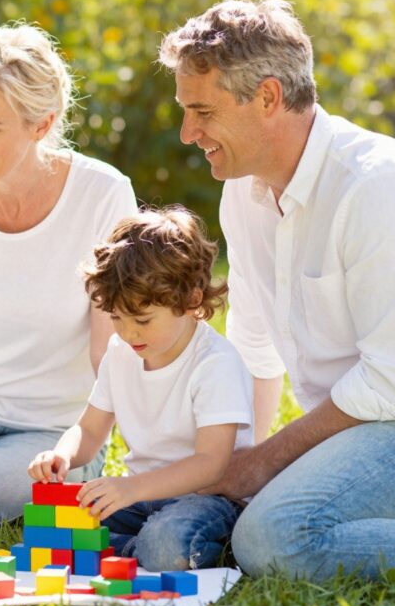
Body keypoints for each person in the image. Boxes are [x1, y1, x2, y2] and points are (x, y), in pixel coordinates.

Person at [156, 0, 395, 581]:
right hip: (363, 429)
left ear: (269, 97)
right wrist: (233, 467)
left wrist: (263, 467)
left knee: (275, 540)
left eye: (201, 111)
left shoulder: (378, 187)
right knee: (225, 516)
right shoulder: (244, 191)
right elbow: (253, 345)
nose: (187, 133)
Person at [28, 207, 253, 570]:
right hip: (141, 498)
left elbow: (212, 464)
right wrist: (62, 456)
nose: (128, 333)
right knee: (61, 521)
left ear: (192, 300)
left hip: (209, 499)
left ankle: (139, 551)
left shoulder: (215, 363)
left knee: (165, 544)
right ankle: (134, 550)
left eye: (143, 320)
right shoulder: (121, 353)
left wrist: (131, 489)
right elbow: (88, 429)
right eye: (116, 318)